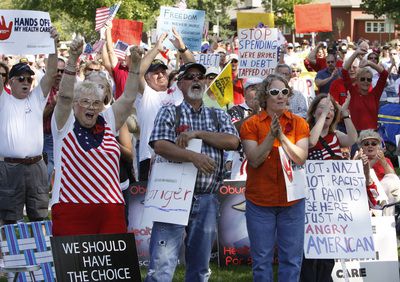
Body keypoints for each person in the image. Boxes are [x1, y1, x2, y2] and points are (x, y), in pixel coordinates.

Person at [145, 62, 239, 281]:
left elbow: (233, 141)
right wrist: (192, 157)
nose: (196, 80)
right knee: (162, 264)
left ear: (206, 82)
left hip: (206, 198)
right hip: (172, 197)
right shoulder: (169, 111)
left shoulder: (217, 115)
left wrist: (198, 134)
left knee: (200, 266)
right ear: (179, 84)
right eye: (190, 76)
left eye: (200, 76)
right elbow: (159, 145)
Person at [50, 36, 143, 236]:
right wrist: (73, 58)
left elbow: (128, 98)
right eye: (84, 101)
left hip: (111, 208)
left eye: (95, 103)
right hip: (71, 207)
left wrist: (135, 67)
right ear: (75, 104)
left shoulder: (107, 118)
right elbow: (65, 96)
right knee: (75, 266)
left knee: (112, 264)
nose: (91, 107)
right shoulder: (64, 123)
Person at [240, 74, 309, 281]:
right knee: (261, 261)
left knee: (292, 259)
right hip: (260, 202)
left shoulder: (299, 124)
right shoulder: (250, 125)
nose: (280, 96)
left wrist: (282, 138)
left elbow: (300, 158)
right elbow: (254, 160)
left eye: (284, 92)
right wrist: (271, 136)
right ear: (264, 97)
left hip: (293, 202)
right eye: (274, 92)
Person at [0, 27, 59, 224]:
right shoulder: (3, 100)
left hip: (36, 166)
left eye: (29, 78)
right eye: (21, 78)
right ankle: (9, 254)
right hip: (9, 167)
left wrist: (53, 45)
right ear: (10, 82)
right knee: (8, 217)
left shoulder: (36, 99)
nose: (26, 82)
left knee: (40, 215)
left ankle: (41, 254)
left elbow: (50, 74)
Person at [300, 93, 357, 282]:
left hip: (331, 201)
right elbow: (312, 141)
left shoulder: (335, 136)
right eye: (323, 107)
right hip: (310, 201)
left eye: (332, 109)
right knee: (309, 250)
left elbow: (352, 139)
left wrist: (346, 114)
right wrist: (323, 116)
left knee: (328, 249)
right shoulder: (305, 130)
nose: (329, 111)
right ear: (314, 111)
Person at [135, 29, 194, 181]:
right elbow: (137, 73)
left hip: (178, 154)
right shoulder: (145, 94)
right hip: (150, 156)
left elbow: (194, 68)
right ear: (147, 79)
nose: (161, 75)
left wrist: (182, 47)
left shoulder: (177, 91)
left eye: (163, 71)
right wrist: (156, 49)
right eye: (155, 73)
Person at [342, 42, 388, 131]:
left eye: (369, 79)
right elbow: (344, 71)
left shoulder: (375, 95)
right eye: (363, 79)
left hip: (372, 136)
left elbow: (384, 74)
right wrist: (356, 53)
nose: (366, 82)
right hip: (356, 136)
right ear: (357, 80)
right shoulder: (353, 93)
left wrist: (369, 63)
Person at [357, 130, 400, 216]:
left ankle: (388, 218)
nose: (370, 146)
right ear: (361, 148)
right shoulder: (358, 159)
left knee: (393, 181)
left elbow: (393, 178)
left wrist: (383, 161)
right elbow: (363, 173)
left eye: (374, 144)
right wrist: (375, 159)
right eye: (366, 144)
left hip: (384, 195)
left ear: (378, 147)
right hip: (365, 193)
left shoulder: (385, 160)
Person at [226, 77, 262, 180]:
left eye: (260, 88)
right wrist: (254, 114)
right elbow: (234, 130)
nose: (257, 92)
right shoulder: (235, 110)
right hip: (241, 161)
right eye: (253, 88)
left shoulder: (269, 110)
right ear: (245, 93)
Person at [43, 58, 66, 182]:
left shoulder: (69, 90)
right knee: (47, 170)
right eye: (57, 71)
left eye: (62, 71)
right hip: (46, 136)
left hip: (63, 137)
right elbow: (38, 117)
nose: (59, 74)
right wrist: (52, 105)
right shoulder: (43, 90)